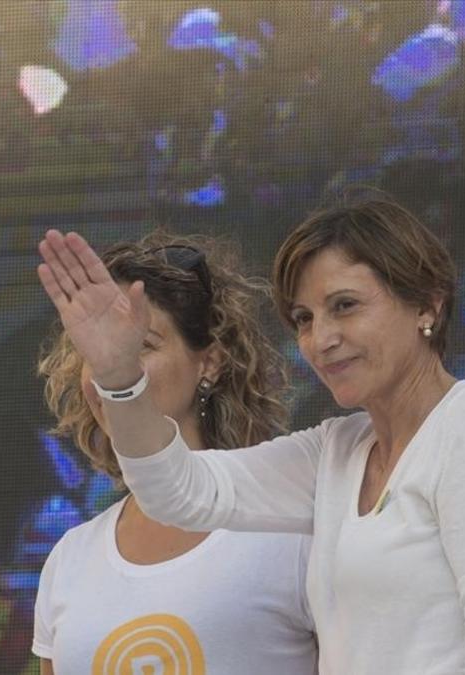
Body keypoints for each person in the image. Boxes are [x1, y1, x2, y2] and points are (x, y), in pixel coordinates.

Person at [35, 198, 465, 673]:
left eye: (345, 306)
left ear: (426, 305)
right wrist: (119, 375)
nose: (321, 339)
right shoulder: (337, 450)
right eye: (304, 318)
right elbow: (176, 491)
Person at [31, 233, 317, 674]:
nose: (112, 366)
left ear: (210, 363)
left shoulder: (293, 527)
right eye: (94, 349)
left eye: (140, 345)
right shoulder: (70, 559)